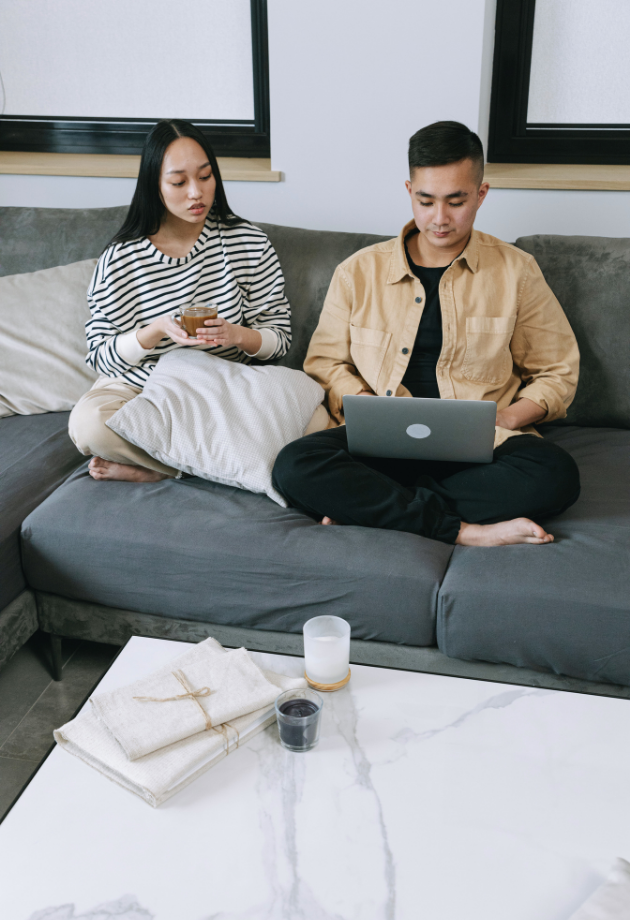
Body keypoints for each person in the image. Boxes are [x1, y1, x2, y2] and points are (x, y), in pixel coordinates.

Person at [272, 121, 580, 547]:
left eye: (456, 201)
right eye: (426, 200)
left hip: (482, 445)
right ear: (409, 190)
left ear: (481, 194)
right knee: (295, 464)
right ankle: (463, 531)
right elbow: (325, 364)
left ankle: (378, 511)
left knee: (555, 475)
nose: (440, 218)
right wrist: (370, 409)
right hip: (383, 446)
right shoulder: (358, 271)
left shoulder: (517, 271)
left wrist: (505, 418)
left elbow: (558, 371)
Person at [69, 119, 291, 482]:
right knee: (89, 425)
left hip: (223, 384)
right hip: (143, 388)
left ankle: (161, 468)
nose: (196, 193)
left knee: (313, 421)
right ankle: (217, 467)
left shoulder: (248, 241)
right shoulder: (122, 258)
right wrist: (155, 331)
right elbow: (100, 356)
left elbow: (280, 338)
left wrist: (236, 335)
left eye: (205, 177)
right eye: (178, 182)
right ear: (155, 186)